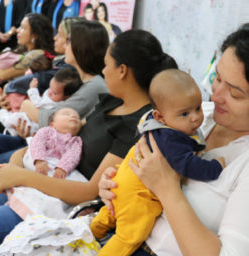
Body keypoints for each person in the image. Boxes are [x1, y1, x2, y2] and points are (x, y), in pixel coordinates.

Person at [0, 29, 177, 248]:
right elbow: (66, 136)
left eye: (107, 64)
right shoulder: (112, 102)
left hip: (57, 207)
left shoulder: (136, 127)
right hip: (41, 181)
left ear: (122, 71)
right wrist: (23, 156)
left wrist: (22, 176)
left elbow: (91, 191)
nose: (103, 70)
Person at [99, 25, 249, 256]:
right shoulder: (201, 114)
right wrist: (116, 184)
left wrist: (166, 188)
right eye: (217, 77)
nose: (215, 94)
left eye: (234, 93)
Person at [90, 69, 225, 255]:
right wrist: (215, 167)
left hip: (124, 180)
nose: (195, 118)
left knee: (113, 213)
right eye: (184, 114)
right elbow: (187, 165)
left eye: (198, 108)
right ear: (160, 117)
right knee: (128, 237)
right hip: (138, 194)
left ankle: (94, 230)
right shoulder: (171, 139)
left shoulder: (158, 125)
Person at [0, 18, 108, 175]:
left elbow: (49, 117)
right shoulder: (76, 76)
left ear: (81, 46)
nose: (59, 41)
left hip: (48, 156)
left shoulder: (95, 85)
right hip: (35, 140)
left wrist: (25, 105)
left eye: (67, 40)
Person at [7, 107, 85, 220]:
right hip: (40, 160)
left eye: (77, 118)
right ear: (53, 124)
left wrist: (62, 167)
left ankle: (49, 208)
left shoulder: (76, 141)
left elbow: (73, 156)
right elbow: (37, 143)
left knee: (67, 182)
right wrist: (39, 160)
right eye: (66, 114)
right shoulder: (47, 131)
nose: (73, 116)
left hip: (56, 166)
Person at [0, 67, 82, 136]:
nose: (50, 92)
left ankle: (3, 116)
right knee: (16, 117)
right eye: (50, 87)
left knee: (12, 119)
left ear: (67, 96)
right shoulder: (52, 93)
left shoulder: (56, 104)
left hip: (35, 126)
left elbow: (37, 104)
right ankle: (11, 128)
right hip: (28, 117)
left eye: (55, 93)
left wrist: (33, 89)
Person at [0, 12, 54, 93]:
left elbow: (3, 75)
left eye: (23, 28)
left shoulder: (38, 54)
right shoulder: (25, 50)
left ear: (35, 35)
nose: (17, 30)